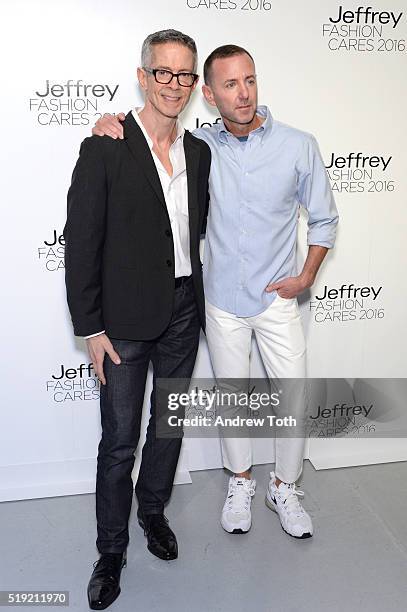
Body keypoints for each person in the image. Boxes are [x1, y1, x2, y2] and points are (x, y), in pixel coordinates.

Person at [93, 44, 338, 542]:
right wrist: (109, 122)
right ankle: (241, 482)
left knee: (293, 395)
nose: (243, 92)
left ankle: (285, 486)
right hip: (220, 300)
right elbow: (149, 144)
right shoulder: (198, 148)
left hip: (276, 297)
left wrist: (307, 275)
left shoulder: (298, 144)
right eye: (229, 84)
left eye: (249, 80)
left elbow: (325, 220)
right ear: (207, 94)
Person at [64, 29, 211, 610]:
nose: (175, 85)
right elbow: (82, 241)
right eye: (164, 73)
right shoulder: (106, 145)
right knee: (119, 442)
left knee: (168, 426)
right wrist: (90, 327)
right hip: (122, 319)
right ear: (144, 76)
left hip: (184, 310)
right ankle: (111, 550)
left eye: (185, 75)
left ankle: (153, 513)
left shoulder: (198, 151)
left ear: (194, 84)